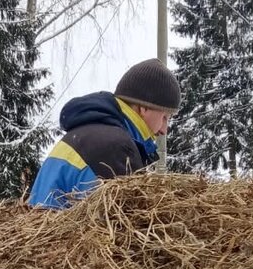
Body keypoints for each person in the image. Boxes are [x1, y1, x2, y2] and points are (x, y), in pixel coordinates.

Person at [27, 58, 181, 209]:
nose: (164, 130)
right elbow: (123, 226)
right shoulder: (116, 147)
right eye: (164, 117)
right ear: (144, 108)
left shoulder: (87, 133)